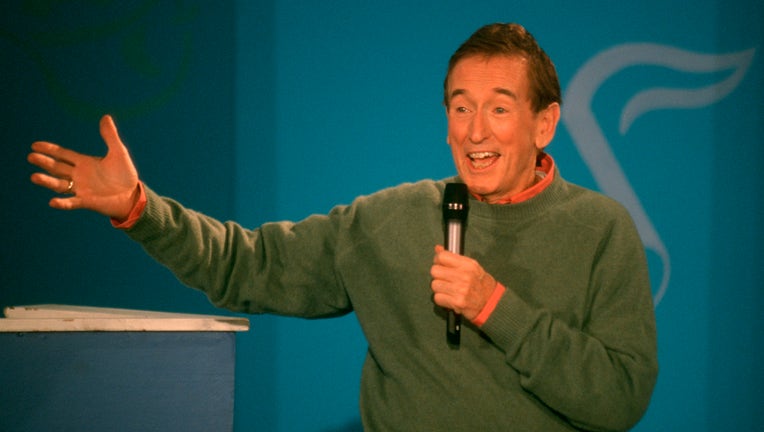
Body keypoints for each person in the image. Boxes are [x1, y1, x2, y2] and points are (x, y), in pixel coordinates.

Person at [28, 23, 658, 431]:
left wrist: (496, 307)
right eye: (460, 107)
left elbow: (620, 397)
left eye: (499, 108)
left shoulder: (601, 229)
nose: (475, 131)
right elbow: (245, 265)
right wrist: (140, 208)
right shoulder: (392, 220)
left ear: (545, 123)